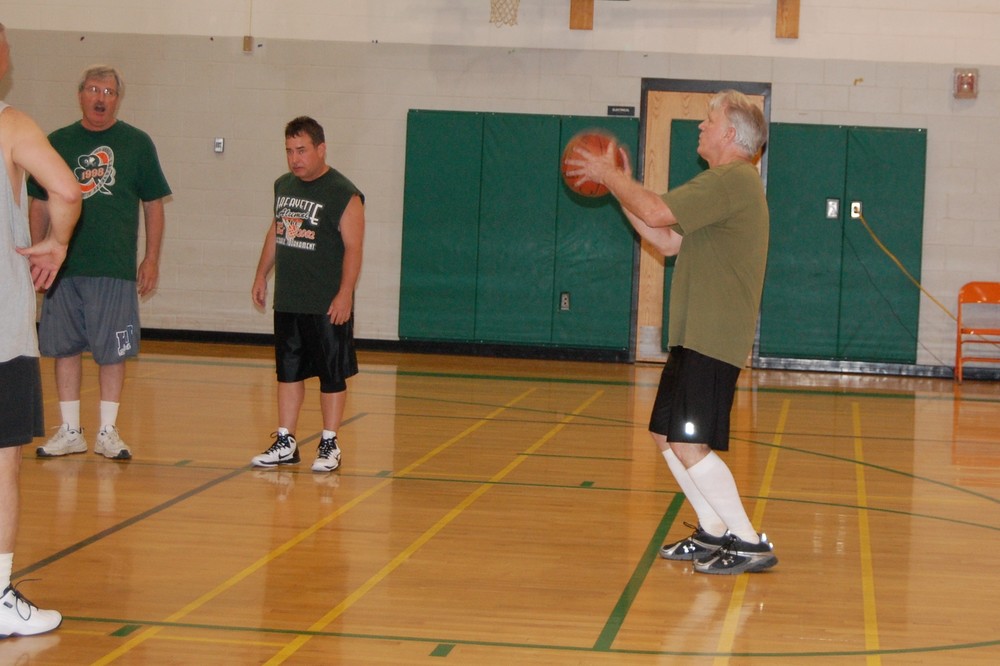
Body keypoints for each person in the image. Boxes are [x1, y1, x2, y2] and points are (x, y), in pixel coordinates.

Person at [566, 90, 777, 574]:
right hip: (694, 333)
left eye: (709, 120)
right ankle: (713, 528)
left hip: (713, 335)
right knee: (667, 434)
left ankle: (749, 541)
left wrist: (609, 174)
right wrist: (617, 189)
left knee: (688, 442)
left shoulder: (732, 180)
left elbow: (658, 212)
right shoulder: (725, 187)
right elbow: (664, 238)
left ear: (730, 134)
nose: (701, 127)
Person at [28, 64, 171, 461]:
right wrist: (39, 250)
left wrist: (151, 259)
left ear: (117, 99)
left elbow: (154, 204)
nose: (100, 98)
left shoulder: (137, 144)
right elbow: (39, 202)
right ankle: (70, 430)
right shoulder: (57, 142)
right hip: (63, 268)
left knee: (113, 351)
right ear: (80, 95)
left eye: (108, 92)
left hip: (114, 268)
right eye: (93, 89)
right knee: (64, 348)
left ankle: (108, 431)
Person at [0, 22, 82, 637]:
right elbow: (67, 189)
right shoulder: (11, 124)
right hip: (0, 334)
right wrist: (57, 242)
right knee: (2, 463)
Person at [251, 116, 364, 473]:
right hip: (290, 298)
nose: (294, 159)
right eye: (289, 151)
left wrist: (345, 293)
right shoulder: (283, 186)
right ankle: (286, 441)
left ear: (321, 149)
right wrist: (261, 274)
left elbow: (354, 247)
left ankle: (329, 442)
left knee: (331, 374)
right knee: (288, 372)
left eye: (301, 150)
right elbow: (277, 231)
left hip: (326, 303)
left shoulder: (343, 193)